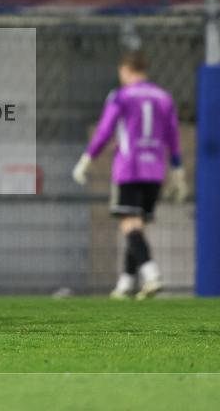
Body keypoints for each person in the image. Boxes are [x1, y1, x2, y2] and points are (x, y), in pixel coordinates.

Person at [71, 50, 187, 300]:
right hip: (155, 169)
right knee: (137, 226)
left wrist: (87, 158)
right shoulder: (164, 98)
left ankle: (151, 273)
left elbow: (105, 130)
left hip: (129, 167)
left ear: (125, 70)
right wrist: (177, 169)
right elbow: (173, 136)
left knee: (128, 223)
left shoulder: (121, 96)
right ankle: (125, 284)